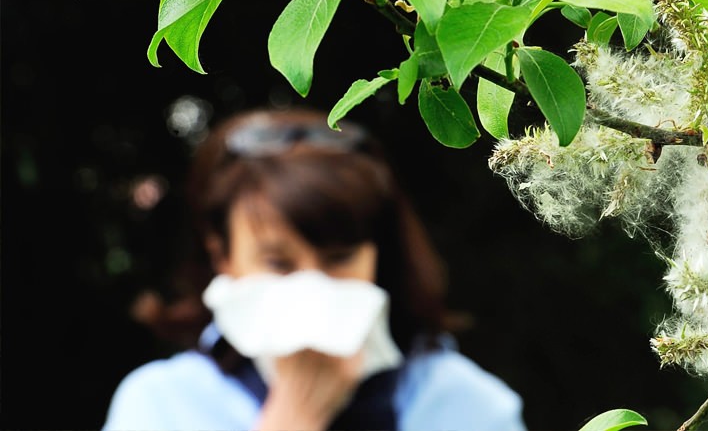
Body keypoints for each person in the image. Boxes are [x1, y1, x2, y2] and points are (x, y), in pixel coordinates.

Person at [103, 107, 526, 431]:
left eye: (338, 258)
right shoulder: (161, 407)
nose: (311, 284)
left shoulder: (468, 407)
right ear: (222, 255)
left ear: (377, 254)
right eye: (278, 263)